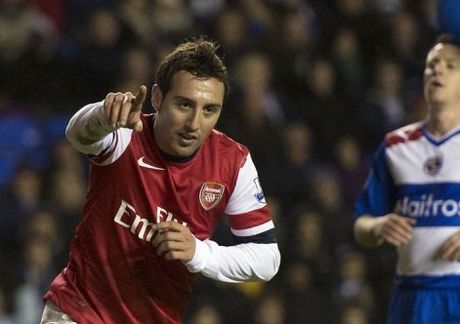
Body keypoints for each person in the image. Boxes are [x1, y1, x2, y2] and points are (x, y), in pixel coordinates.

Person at [41, 38, 281, 323]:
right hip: (80, 311)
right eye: (184, 104)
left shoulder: (234, 163)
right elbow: (78, 134)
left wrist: (200, 253)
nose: (194, 123)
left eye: (209, 110)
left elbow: (267, 258)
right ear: (157, 98)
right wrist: (103, 115)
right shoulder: (128, 132)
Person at [353, 34, 460, 323]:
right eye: (432, 64)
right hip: (413, 297)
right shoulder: (397, 145)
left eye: (450, 65)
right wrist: (379, 226)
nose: (437, 70)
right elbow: (361, 224)